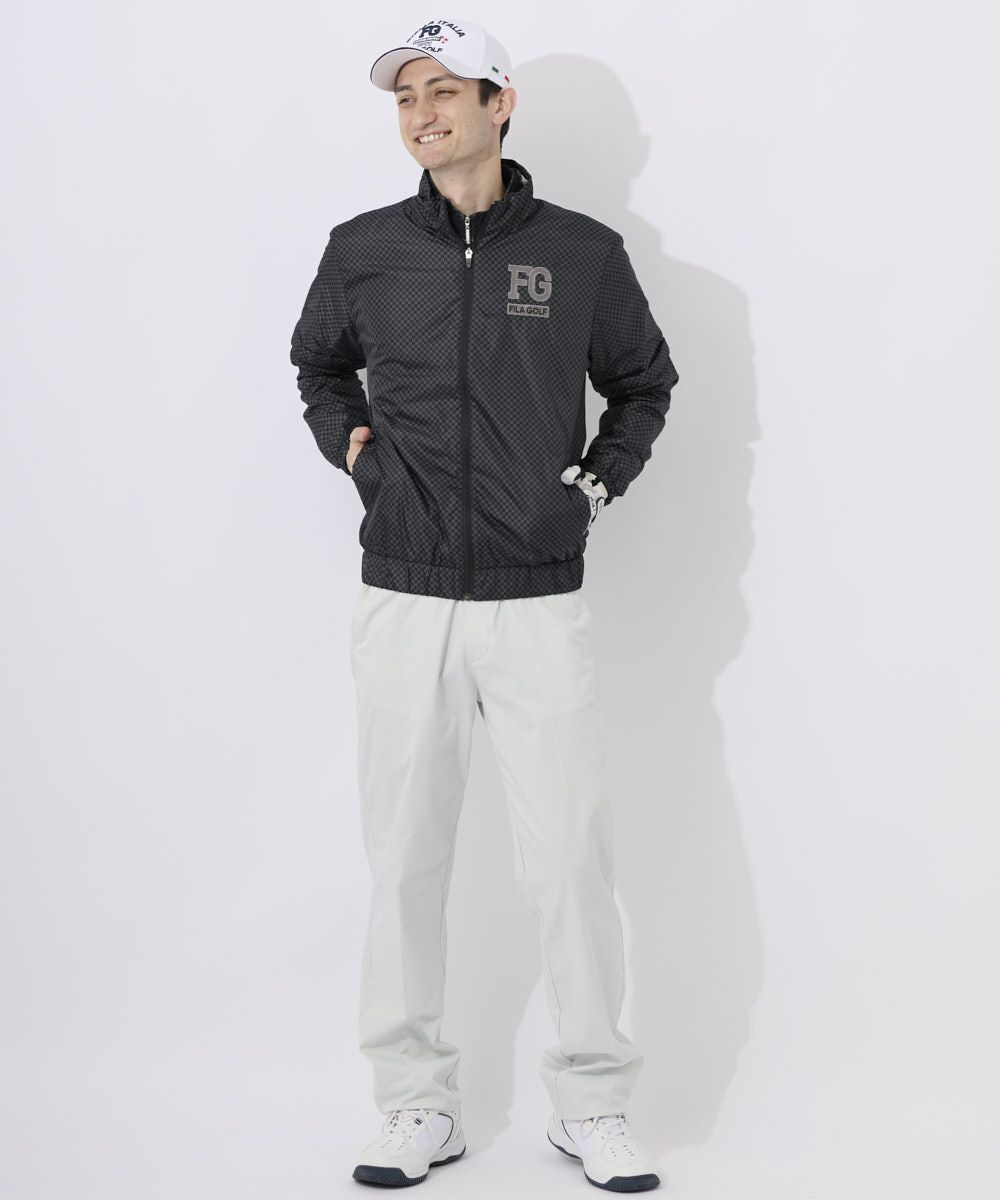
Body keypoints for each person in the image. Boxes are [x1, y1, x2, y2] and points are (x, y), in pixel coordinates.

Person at [289, 17, 678, 1192]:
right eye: (404, 96)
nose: (420, 113)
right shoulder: (363, 250)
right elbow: (318, 365)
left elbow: (644, 384)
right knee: (405, 859)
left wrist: (592, 487)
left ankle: (591, 1105)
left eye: (443, 90)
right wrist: (354, 454)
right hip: (403, 596)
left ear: (499, 104)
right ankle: (417, 1104)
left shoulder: (580, 253)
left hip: (533, 600)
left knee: (568, 861)